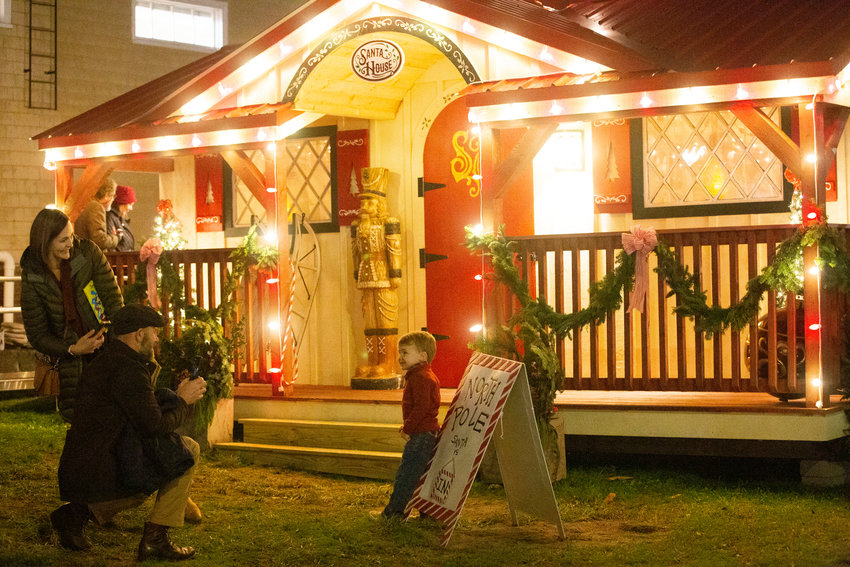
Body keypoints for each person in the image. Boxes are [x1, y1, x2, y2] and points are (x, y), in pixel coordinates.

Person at [51, 304, 207, 561]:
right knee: (186, 450)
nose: (157, 339)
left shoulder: (112, 361)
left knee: (173, 452)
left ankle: (74, 516)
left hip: (88, 463)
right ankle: (155, 537)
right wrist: (183, 402)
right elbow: (154, 427)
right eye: (154, 333)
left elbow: (142, 413)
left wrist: (177, 397)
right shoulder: (128, 369)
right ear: (139, 334)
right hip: (101, 466)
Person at [20, 208, 123, 422]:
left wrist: (115, 337)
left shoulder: (86, 254)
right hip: (69, 363)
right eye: (63, 240)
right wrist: (73, 349)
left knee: (114, 417)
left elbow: (113, 301)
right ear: (45, 242)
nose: (71, 243)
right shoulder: (33, 275)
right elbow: (37, 334)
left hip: (105, 349)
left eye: (71, 236)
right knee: (80, 423)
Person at [377, 331, 441, 519]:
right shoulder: (418, 375)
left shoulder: (421, 378)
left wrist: (408, 429)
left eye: (405, 353)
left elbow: (421, 408)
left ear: (422, 356)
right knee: (421, 474)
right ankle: (427, 512)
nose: (400, 358)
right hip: (424, 433)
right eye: (400, 353)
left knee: (407, 475)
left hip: (421, 435)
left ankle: (395, 513)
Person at [351, 167, 402, 380]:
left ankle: (387, 362)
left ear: (380, 205)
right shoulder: (357, 226)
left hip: (383, 275)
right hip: (365, 277)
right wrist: (356, 273)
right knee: (370, 322)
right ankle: (373, 361)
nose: (365, 207)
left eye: (370, 203)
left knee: (385, 320)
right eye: (363, 203)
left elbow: (394, 249)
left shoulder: (389, 224)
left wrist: (395, 273)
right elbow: (356, 253)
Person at [75, 177, 119, 251]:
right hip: (89, 258)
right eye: (113, 196)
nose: (113, 199)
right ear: (106, 195)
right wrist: (115, 238)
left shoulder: (84, 204)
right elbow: (100, 241)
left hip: (79, 258)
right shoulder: (96, 207)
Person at [106, 184, 136, 251]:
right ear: (122, 203)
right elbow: (111, 246)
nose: (131, 208)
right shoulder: (110, 218)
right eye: (130, 204)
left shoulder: (120, 219)